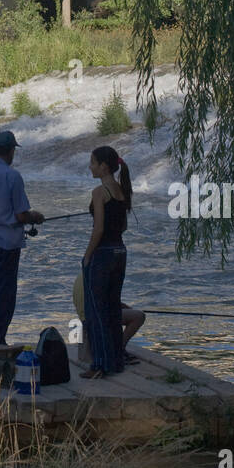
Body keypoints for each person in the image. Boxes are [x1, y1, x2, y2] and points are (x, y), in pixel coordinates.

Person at [0, 130, 44, 347]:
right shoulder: (12, 176)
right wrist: (36, 217)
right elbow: (21, 215)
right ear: (11, 151)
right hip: (6, 244)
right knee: (4, 294)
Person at [79, 145, 132, 378]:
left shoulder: (99, 192)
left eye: (92, 162)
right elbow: (123, 226)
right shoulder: (121, 190)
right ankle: (116, 361)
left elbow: (98, 228)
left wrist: (87, 255)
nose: (90, 167)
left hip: (102, 254)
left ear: (103, 166)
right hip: (120, 251)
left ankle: (99, 365)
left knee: (96, 311)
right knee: (112, 309)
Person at [71, 272, 146, 365]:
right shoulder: (100, 275)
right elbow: (111, 303)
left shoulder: (83, 274)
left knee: (121, 313)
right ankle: (119, 351)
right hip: (96, 318)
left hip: (84, 316)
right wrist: (128, 309)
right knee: (139, 316)